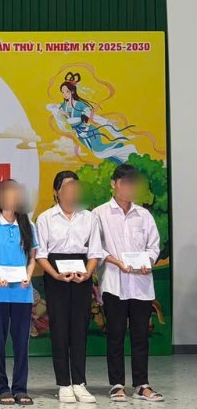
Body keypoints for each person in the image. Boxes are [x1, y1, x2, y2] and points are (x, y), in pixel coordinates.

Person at [92, 164, 163, 402]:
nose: (129, 188)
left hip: (141, 286)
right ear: (114, 184)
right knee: (115, 335)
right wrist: (116, 261)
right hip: (114, 283)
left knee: (141, 335)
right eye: (125, 183)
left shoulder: (144, 215)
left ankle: (142, 384)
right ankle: (117, 384)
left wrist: (149, 261)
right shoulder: (99, 214)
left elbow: (154, 246)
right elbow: (96, 248)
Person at [35, 172, 103, 403]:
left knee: (79, 328)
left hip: (82, 275)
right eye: (67, 187)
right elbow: (41, 254)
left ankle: (80, 383)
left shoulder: (89, 217)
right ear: (56, 191)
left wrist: (88, 273)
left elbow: (95, 252)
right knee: (60, 329)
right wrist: (54, 273)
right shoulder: (45, 218)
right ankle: (64, 383)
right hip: (56, 275)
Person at [0, 179, 37, 405]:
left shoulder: (28, 226)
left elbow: (32, 259)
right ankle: (3, 388)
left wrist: (29, 275)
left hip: (22, 294)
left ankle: (20, 388)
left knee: (22, 344)